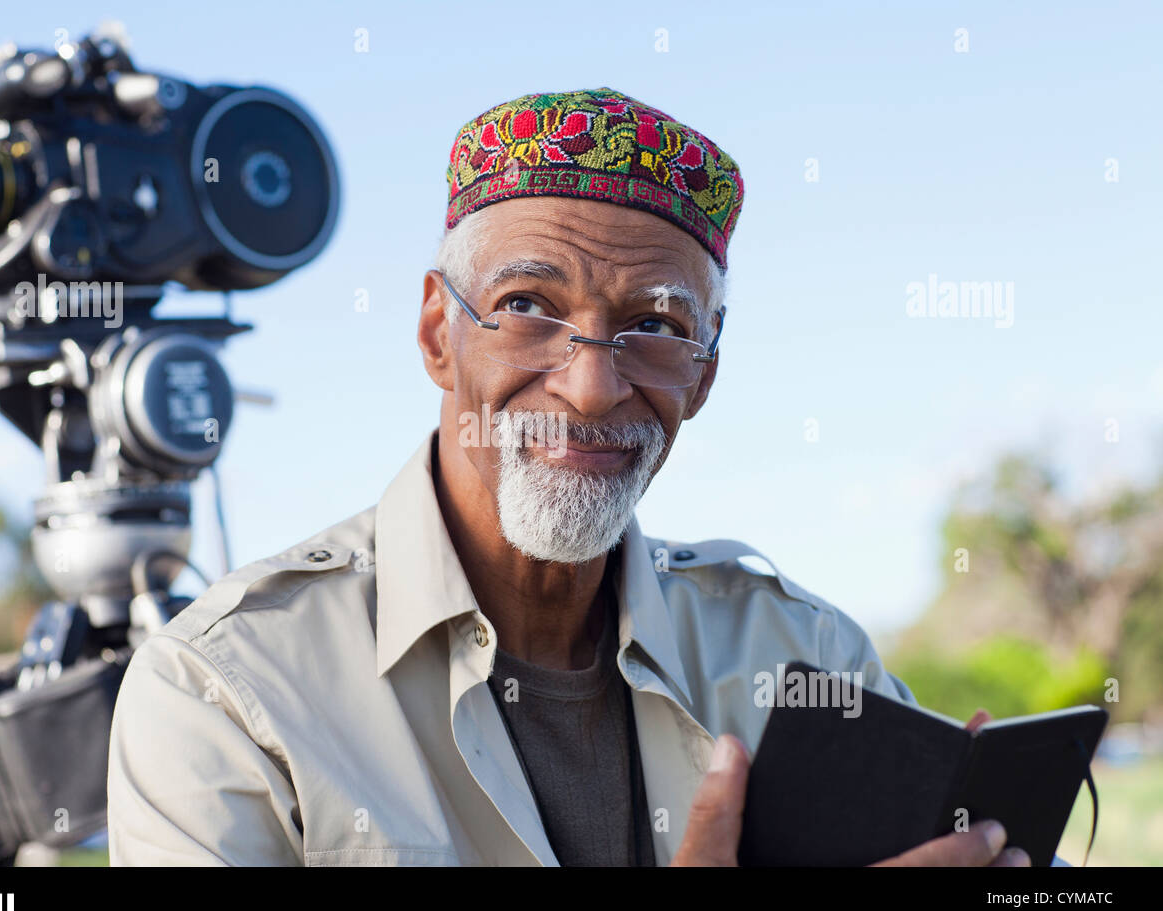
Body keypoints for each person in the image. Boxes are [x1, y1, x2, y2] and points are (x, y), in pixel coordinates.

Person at [107, 87, 1032, 867]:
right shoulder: (227, 691)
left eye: (658, 326)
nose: (591, 387)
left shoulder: (805, 657)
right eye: (526, 307)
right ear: (438, 332)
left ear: (703, 374)